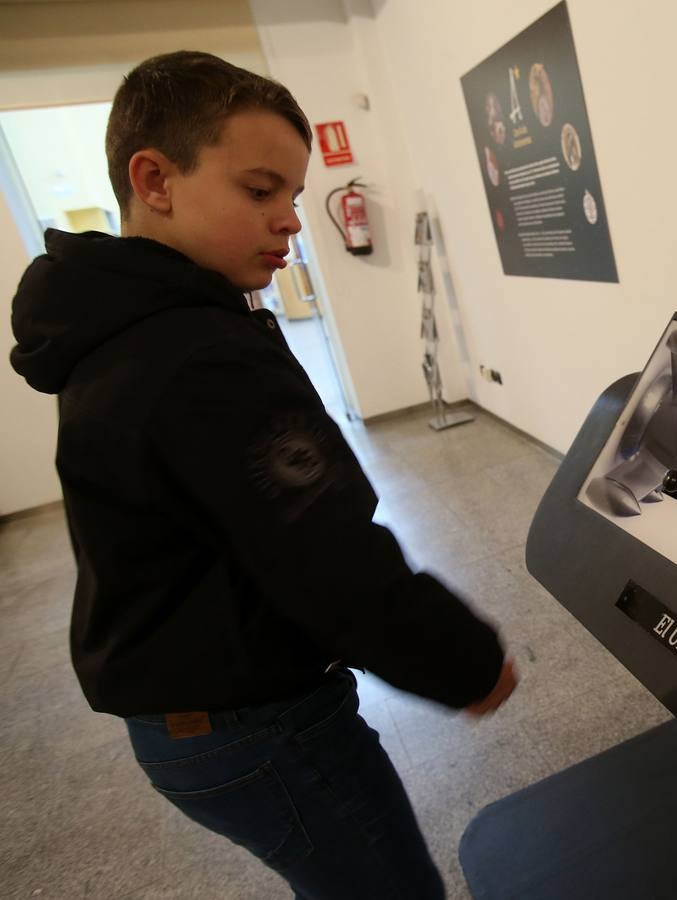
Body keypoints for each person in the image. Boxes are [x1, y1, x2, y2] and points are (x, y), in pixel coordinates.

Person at [8, 51, 516, 898]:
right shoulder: (192, 353)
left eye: (291, 195)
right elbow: (323, 548)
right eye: (258, 190)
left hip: (191, 714)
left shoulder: (127, 327)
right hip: (256, 725)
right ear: (155, 179)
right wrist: (461, 660)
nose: (288, 220)